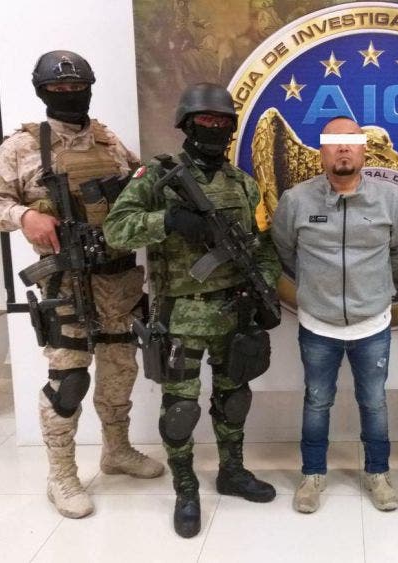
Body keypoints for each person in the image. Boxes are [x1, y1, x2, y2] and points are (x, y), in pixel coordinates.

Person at [0, 50, 164, 519]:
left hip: (118, 279)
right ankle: (61, 475)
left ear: (89, 88)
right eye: (57, 88)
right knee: (69, 380)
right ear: (42, 91)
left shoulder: (109, 141)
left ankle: (116, 451)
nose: (68, 94)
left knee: (120, 370)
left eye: (76, 86)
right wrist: (25, 215)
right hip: (66, 282)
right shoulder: (20, 147)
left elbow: (140, 189)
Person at [103, 83, 281, 538]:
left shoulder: (242, 183)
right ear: (186, 125)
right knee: (180, 409)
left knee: (233, 399)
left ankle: (232, 471)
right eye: (206, 120)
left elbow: (261, 244)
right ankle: (185, 487)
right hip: (180, 315)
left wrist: (264, 289)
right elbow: (115, 230)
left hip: (234, 310)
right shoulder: (156, 176)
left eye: (223, 122)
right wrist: (167, 220)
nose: (215, 128)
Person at [271, 116, 398, 514]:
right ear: (322, 151)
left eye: (352, 140)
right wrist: (318, 287)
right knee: (317, 401)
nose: (344, 148)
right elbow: (284, 251)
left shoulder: (390, 200)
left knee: (374, 402)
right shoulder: (296, 201)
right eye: (333, 141)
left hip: (372, 324)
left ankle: (378, 473)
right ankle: (313, 474)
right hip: (318, 324)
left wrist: (373, 286)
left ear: (364, 150)